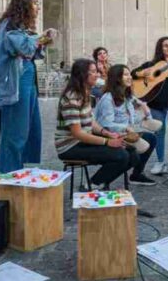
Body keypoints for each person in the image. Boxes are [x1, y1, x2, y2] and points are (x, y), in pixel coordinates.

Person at [0, 0, 55, 173]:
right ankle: (9, 172)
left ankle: (19, 167)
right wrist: (41, 38)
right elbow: (24, 48)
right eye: (34, 3)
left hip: (28, 79)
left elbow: (33, 51)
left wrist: (41, 40)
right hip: (16, 83)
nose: (37, 7)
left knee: (28, 127)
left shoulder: (20, 28)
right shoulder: (9, 26)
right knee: (15, 130)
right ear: (24, 6)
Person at [55, 58, 135, 188]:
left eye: (96, 71)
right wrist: (107, 142)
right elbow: (77, 133)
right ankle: (92, 185)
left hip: (83, 141)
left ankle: (100, 183)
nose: (97, 75)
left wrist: (107, 133)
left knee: (132, 153)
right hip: (70, 146)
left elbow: (91, 121)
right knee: (121, 155)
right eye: (93, 72)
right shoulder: (71, 97)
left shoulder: (85, 92)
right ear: (82, 75)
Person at [132, 36, 168, 175]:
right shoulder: (152, 64)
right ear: (160, 48)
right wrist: (143, 73)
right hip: (156, 103)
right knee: (159, 132)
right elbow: (134, 74)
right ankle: (160, 162)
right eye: (165, 45)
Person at [94, 64, 158, 185]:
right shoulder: (108, 98)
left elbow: (131, 118)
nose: (129, 77)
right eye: (125, 74)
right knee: (133, 154)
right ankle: (101, 181)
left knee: (151, 138)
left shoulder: (127, 97)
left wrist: (145, 117)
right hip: (109, 135)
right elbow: (105, 124)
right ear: (117, 78)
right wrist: (126, 128)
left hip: (123, 133)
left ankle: (136, 175)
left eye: (129, 74)